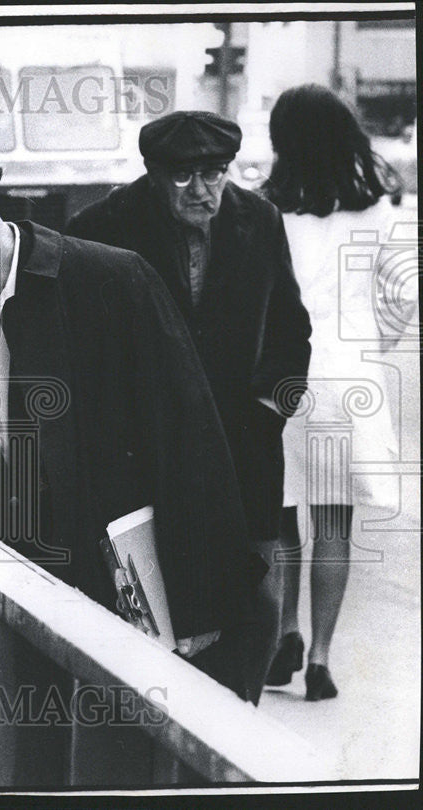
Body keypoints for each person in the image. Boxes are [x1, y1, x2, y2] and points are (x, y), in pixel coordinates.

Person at [0, 118, 269, 703]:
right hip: (21, 622)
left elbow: (193, 446)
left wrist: (203, 610)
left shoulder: (109, 282)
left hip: (151, 617)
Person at [66, 111, 313, 704]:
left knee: (254, 592)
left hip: (243, 444)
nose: (202, 190)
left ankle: (241, 716)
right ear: (153, 173)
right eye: (184, 178)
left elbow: (291, 331)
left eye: (215, 173)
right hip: (147, 449)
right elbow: (81, 350)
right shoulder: (103, 226)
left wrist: (269, 407)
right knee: (157, 596)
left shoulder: (259, 219)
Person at [262, 84, 410, 701]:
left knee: (282, 516)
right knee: (334, 523)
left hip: (281, 379)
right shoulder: (381, 211)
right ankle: (321, 660)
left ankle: (283, 637)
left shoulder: (263, 210)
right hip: (348, 381)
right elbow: (405, 295)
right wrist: (369, 347)